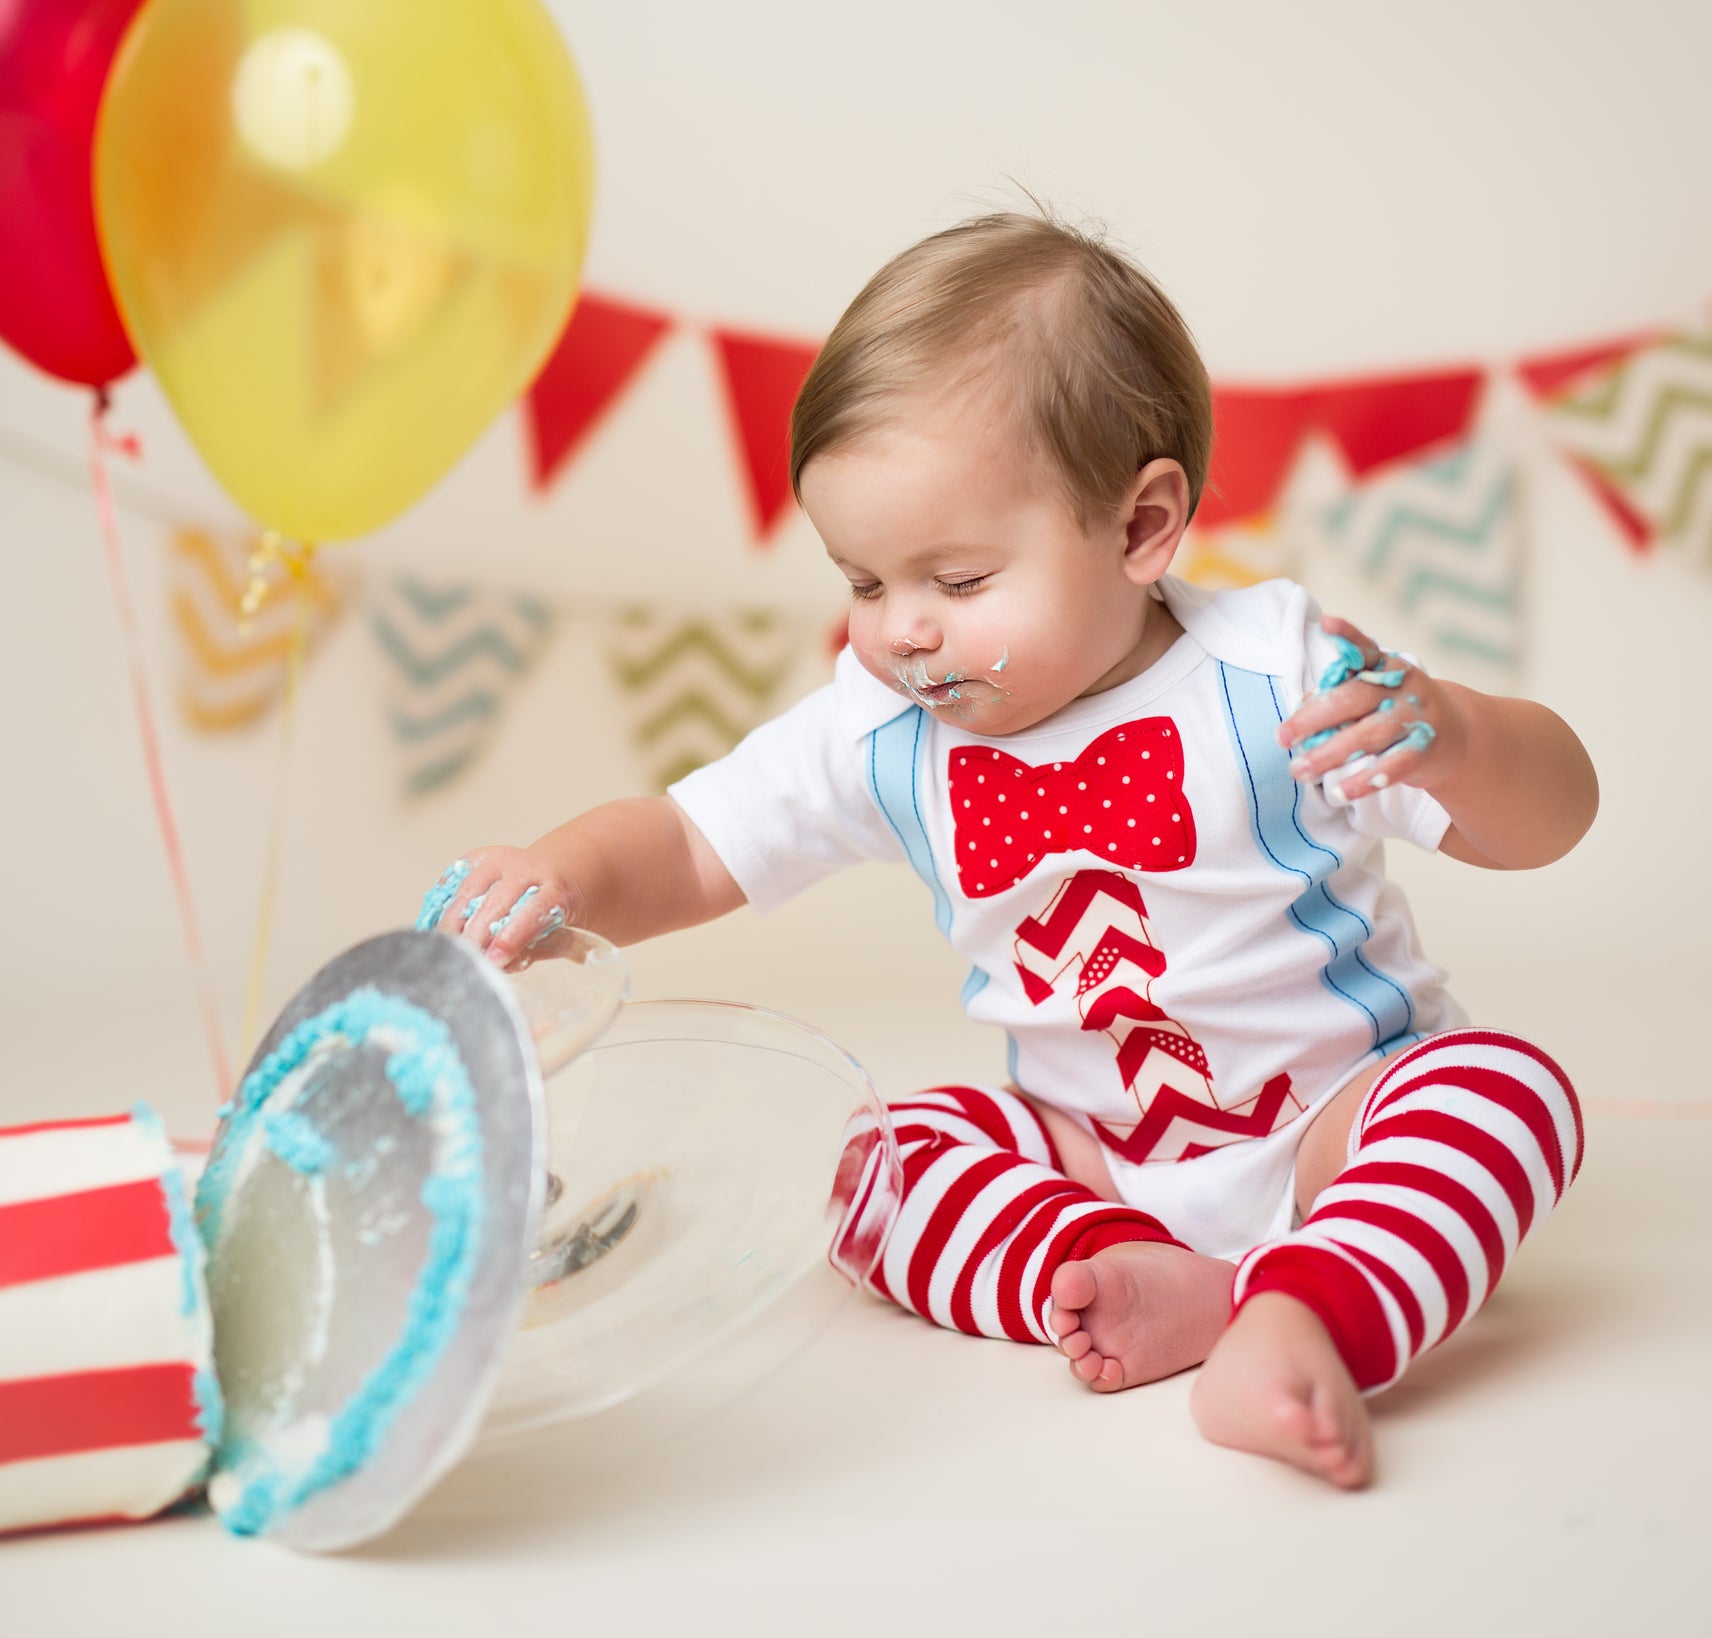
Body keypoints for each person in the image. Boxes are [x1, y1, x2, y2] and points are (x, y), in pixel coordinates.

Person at [425, 209, 1595, 1488]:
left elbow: (1549, 822)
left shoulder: (1273, 675)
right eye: (866, 584)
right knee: (868, 1161)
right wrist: (567, 876)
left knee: (1499, 1091)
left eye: (959, 580)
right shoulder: (883, 730)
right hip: (1088, 1146)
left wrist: (1462, 741)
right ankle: (1106, 1268)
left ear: (1142, 529)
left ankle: (1304, 1308)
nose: (904, 632)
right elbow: (697, 845)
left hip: (1334, 1119)